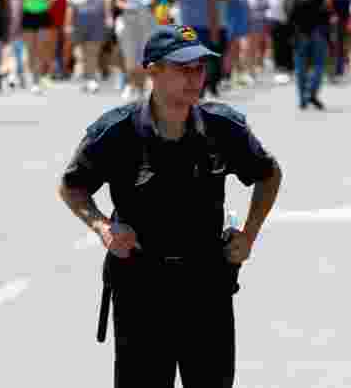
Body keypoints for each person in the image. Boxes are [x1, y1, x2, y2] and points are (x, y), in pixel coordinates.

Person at [58, 24, 283, 388]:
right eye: (183, 68)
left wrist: (250, 235)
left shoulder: (222, 127)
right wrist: (102, 227)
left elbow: (269, 175)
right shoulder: (116, 132)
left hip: (206, 285)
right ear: (153, 72)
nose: (195, 78)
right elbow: (72, 187)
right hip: (141, 288)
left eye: (200, 67)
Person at [287, 0, 333, 110]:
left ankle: (302, 97)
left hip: (299, 30)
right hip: (318, 29)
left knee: (300, 66)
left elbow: (287, 7)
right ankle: (312, 92)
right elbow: (328, 3)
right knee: (318, 64)